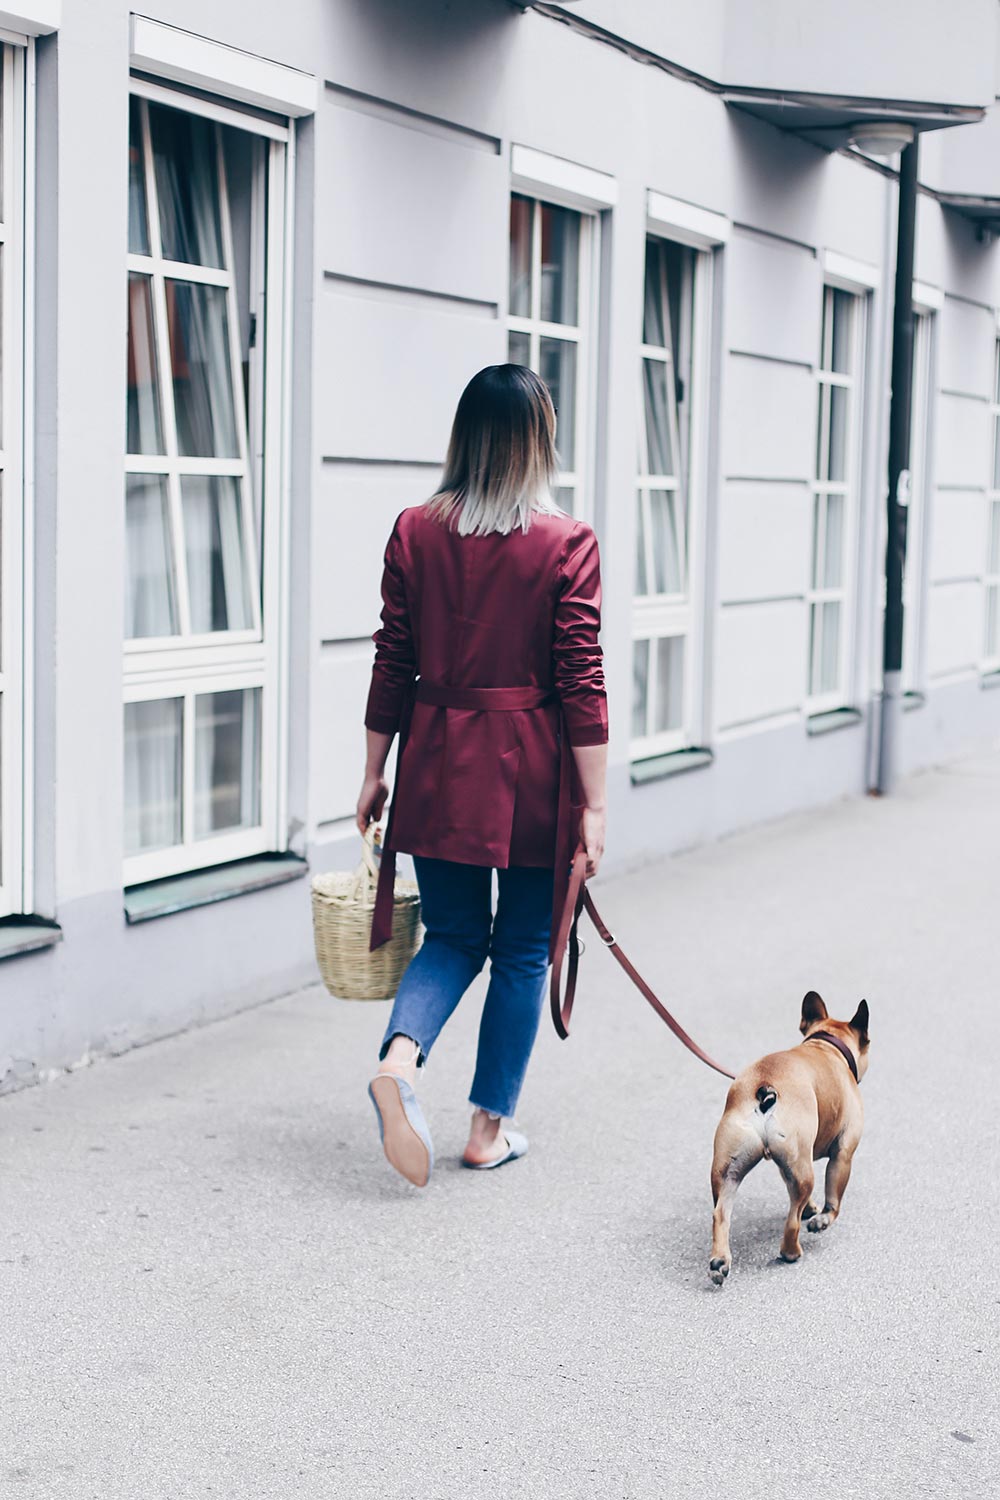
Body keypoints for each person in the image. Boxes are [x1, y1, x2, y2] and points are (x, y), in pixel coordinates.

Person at [355, 364, 608, 1188]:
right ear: (539, 442)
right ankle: (487, 1129)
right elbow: (582, 680)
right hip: (533, 772)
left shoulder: (413, 531)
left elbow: (392, 658)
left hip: (436, 759)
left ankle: (399, 1061)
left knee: (455, 936)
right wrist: (596, 803)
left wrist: (373, 770)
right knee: (525, 949)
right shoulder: (565, 543)